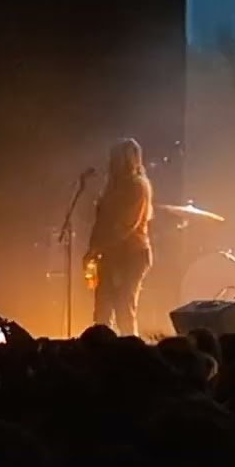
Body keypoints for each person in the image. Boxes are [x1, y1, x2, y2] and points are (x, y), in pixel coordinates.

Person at [85, 138, 153, 336]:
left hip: (132, 254)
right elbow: (101, 223)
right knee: (102, 309)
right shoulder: (111, 187)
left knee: (124, 305)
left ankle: (129, 350)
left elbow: (126, 226)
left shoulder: (137, 186)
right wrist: (92, 248)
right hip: (110, 254)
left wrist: (98, 248)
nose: (112, 162)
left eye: (117, 158)